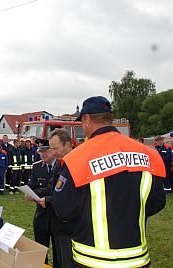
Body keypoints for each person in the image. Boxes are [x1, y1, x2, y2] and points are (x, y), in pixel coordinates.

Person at [53, 96, 166, 268]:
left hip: (92, 259)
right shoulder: (148, 154)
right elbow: (158, 201)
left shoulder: (78, 158)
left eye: (82, 123)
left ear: (87, 119)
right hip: (137, 257)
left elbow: (63, 210)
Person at [39, 129, 74, 268]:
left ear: (68, 144)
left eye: (56, 148)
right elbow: (54, 188)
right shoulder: (60, 163)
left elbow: (69, 197)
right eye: (51, 148)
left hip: (69, 226)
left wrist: (48, 200)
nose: (53, 152)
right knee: (59, 259)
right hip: (57, 223)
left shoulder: (75, 164)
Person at [27, 145, 57, 265]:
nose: (43, 155)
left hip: (57, 213)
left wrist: (38, 192)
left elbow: (56, 190)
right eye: (40, 152)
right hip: (41, 212)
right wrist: (30, 193)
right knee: (40, 247)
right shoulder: (37, 166)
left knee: (58, 249)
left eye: (46, 152)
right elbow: (32, 186)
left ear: (53, 151)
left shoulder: (62, 165)